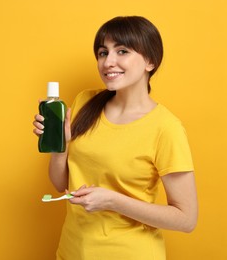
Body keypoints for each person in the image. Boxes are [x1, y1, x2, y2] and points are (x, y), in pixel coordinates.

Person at [33, 16, 198, 260]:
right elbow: (62, 185)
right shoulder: (84, 102)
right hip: (72, 251)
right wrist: (60, 146)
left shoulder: (166, 128)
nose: (108, 62)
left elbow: (186, 219)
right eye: (102, 53)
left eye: (122, 51)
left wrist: (113, 201)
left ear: (150, 61)